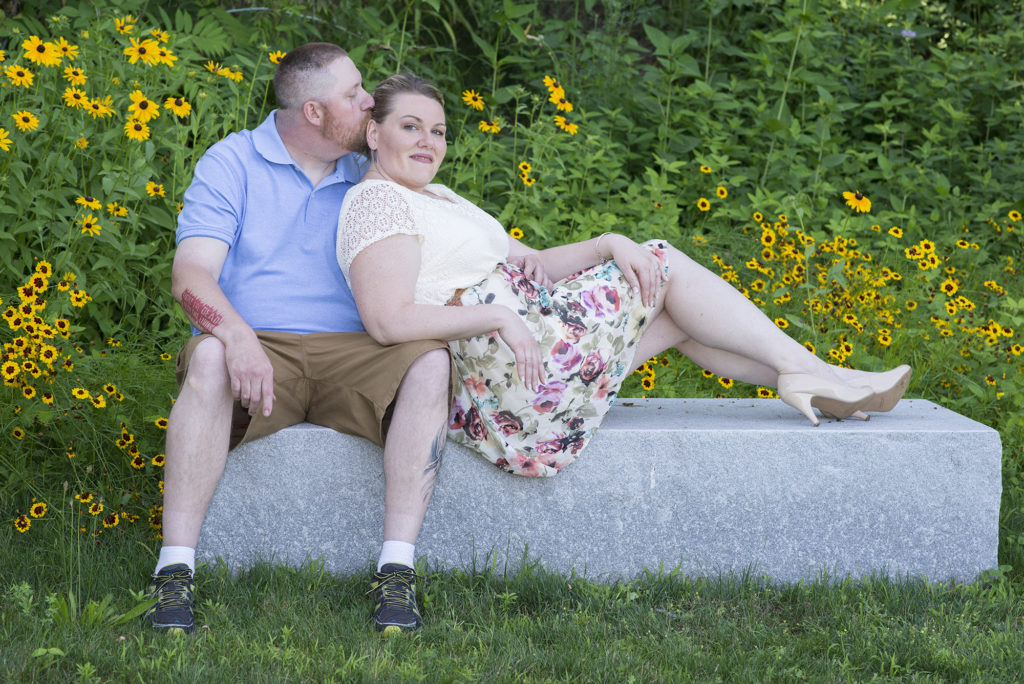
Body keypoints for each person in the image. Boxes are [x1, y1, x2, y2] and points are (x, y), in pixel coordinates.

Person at [336, 74, 911, 477]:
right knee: (659, 263)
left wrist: (608, 241)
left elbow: (532, 261)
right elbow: (387, 321)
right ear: (373, 133)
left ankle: (815, 377)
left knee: (679, 312)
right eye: (410, 127)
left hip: (535, 345)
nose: (428, 142)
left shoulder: (438, 197)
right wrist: (494, 315)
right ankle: (813, 371)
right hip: (510, 372)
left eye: (437, 131)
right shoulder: (378, 202)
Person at [144, 44, 454, 636]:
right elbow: (191, 274)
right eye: (353, 94)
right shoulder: (231, 162)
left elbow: (457, 234)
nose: (370, 102)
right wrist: (236, 335)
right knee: (209, 355)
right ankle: (174, 572)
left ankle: (396, 572)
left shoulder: (375, 167)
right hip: (260, 347)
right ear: (314, 112)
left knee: (430, 365)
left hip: (358, 352)